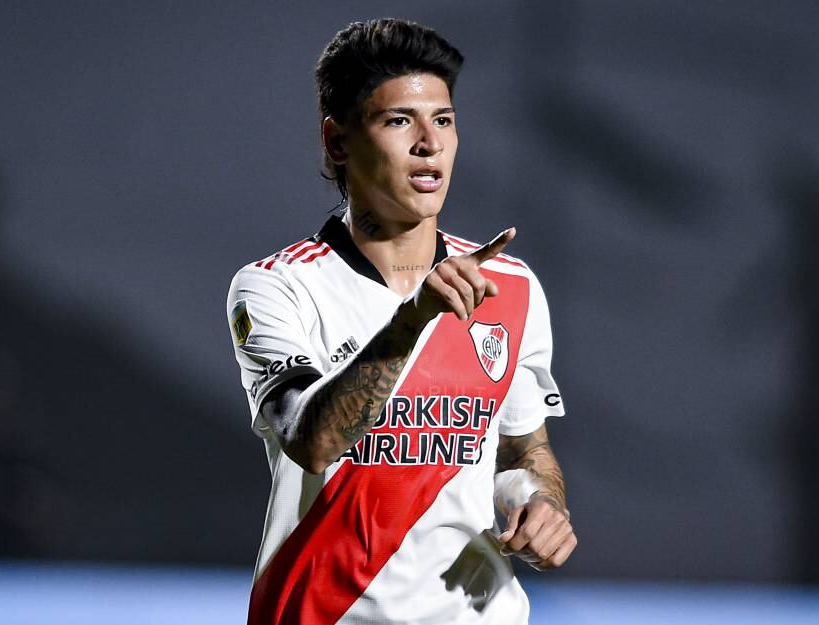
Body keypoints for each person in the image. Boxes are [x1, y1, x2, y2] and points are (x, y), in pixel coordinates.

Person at [227, 18, 575, 624]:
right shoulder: (277, 287)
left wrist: (541, 503)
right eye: (399, 121)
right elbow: (312, 443)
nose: (429, 143)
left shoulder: (511, 287)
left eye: (443, 120)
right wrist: (413, 322)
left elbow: (523, 451)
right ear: (337, 142)